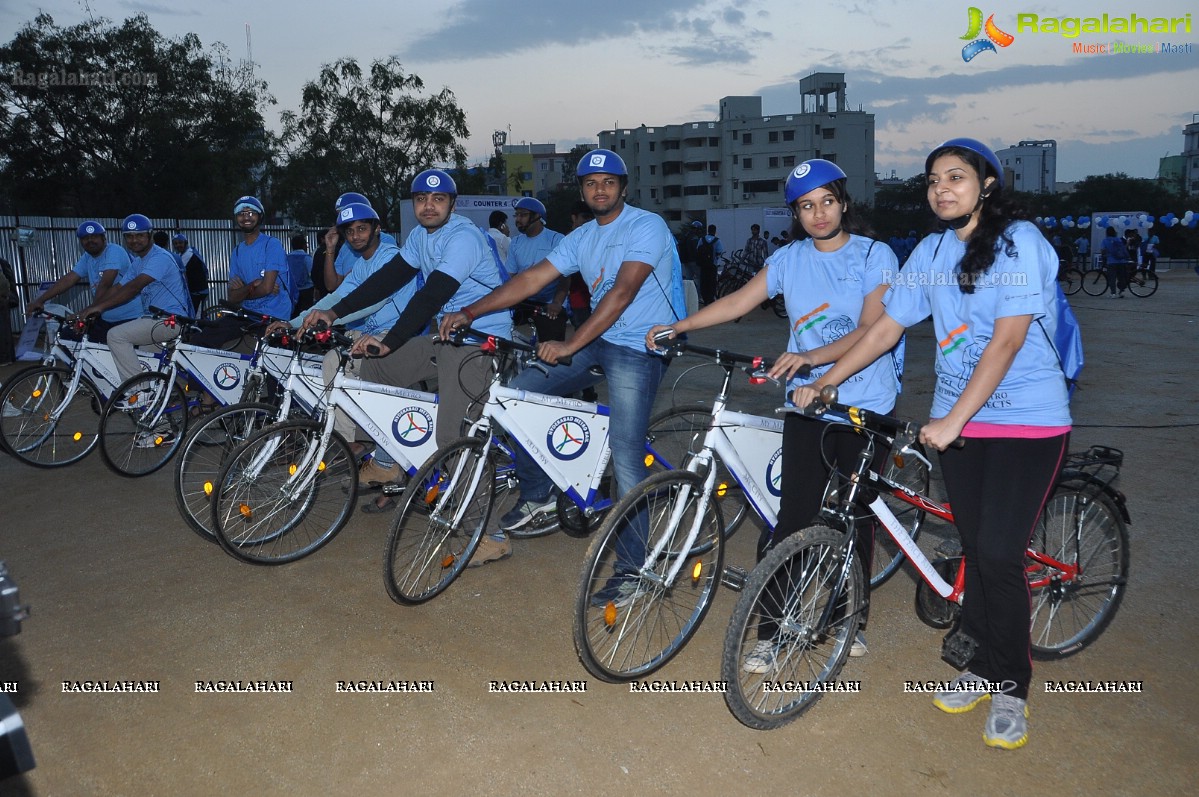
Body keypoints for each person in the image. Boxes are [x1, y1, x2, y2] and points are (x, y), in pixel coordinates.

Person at [794, 137, 1072, 751]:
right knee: (976, 546)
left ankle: (1012, 688)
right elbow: (886, 327)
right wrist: (826, 380)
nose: (941, 189)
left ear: (987, 185)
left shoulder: (1020, 242)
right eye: (932, 180)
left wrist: (952, 423)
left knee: (1000, 554)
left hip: (1027, 420)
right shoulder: (930, 250)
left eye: (956, 177)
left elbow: (1005, 342)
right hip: (960, 425)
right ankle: (976, 663)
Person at [647, 158, 900, 662]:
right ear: (795, 214)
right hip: (807, 405)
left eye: (828, 202)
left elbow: (874, 329)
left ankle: (850, 614)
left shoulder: (875, 255)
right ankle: (771, 630)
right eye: (807, 206)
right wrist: (681, 326)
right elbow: (738, 302)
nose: (819, 214)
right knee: (792, 517)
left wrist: (810, 358)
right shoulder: (789, 260)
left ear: (844, 203)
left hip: (865, 404)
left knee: (856, 515)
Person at [438, 148, 684, 574]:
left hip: (643, 345)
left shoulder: (647, 226)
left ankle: (635, 570)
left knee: (626, 456)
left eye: (609, 182)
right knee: (518, 396)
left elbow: (622, 293)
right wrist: (471, 311)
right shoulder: (583, 236)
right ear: (583, 191)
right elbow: (531, 279)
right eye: (591, 183)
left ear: (624, 188)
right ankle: (539, 495)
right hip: (602, 336)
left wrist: (570, 344)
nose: (600, 189)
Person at [301, 169, 513, 499]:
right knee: (376, 369)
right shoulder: (419, 237)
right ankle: (388, 459)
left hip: (480, 340)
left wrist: (389, 341)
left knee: (453, 435)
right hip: (447, 335)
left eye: (438, 199)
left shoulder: (463, 238)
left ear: (453, 205)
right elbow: (386, 280)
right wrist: (332, 312)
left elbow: (432, 296)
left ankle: (488, 534)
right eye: (421, 199)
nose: (429, 206)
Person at [283, 203, 419, 510]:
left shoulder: (388, 256)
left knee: (350, 365)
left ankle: (367, 446)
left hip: (397, 335)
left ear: (377, 229)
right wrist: (295, 321)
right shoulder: (362, 263)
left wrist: (329, 317)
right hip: (371, 333)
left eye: (361, 229)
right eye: (350, 231)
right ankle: (352, 441)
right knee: (333, 359)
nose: (355, 236)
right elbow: (337, 296)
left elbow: (371, 302)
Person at [78, 214, 192, 387]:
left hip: (170, 320)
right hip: (153, 319)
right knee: (148, 366)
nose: (134, 240)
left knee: (116, 336)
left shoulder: (159, 257)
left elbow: (133, 288)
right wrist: (91, 308)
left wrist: (99, 309)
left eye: (139, 235)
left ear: (150, 235)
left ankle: (138, 393)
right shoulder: (139, 262)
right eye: (129, 236)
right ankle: (156, 400)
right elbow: (118, 288)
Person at [191, 195, 291, 353]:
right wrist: (252, 286)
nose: (246, 217)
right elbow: (232, 297)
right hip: (246, 315)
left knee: (262, 361)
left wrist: (244, 290)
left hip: (272, 317)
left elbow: (266, 288)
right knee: (199, 340)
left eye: (251, 213)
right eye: (241, 213)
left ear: (260, 217)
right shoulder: (237, 251)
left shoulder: (271, 245)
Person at [26, 221, 141, 343]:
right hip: (106, 318)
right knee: (68, 336)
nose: (90, 240)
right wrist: (40, 300)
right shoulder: (87, 257)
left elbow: (105, 284)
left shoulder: (114, 251)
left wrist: (87, 313)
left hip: (129, 318)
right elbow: (69, 279)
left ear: (104, 238)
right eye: (85, 238)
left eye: (94, 237)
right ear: (80, 242)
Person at [507, 197, 567, 341]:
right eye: (517, 215)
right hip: (524, 302)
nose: (517, 219)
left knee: (551, 352)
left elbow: (565, 278)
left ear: (537, 217)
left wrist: (557, 303)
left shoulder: (556, 239)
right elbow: (511, 276)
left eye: (523, 215)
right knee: (513, 344)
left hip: (550, 304)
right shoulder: (515, 242)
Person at [321, 192, 399, 293]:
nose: (355, 236)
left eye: (361, 228)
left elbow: (378, 290)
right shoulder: (347, 248)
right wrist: (330, 249)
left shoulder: (386, 244)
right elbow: (331, 286)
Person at [173, 233, 209, 317]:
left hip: (198, 291)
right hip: (195, 291)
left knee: (196, 316)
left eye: (180, 242)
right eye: (175, 243)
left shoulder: (188, 254)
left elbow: (177, 271)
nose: (178, 245)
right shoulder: (186, 253)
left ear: (185, 242)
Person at [695, 224, 723, 305]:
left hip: (703, 265)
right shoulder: (717, 241)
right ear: (715, 231)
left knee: (704, 282)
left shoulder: (702, 239)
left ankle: (704, 298)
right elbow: (720, 251)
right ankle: (711, 298)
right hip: (712, 265)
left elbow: (697, 250)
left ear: (708, 230)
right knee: (712, 282)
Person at [287, 235, 315, 313]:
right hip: (307, 289)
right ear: (304, 245)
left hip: (291, 289)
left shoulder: (287, 258)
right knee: (307, 312)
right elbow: (312, 273)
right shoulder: (307, 257)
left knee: (293, 312)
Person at [1099, 227, 1130, 298]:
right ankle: (1121, 292)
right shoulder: (1118, 239)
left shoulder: (1105, 240)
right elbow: (1122, 249)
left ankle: (1113, 293)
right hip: (1121, 261)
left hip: (1111, 262)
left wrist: (1105, 254)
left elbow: (1102, 251)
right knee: (1121, 277)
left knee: (1112, 278)